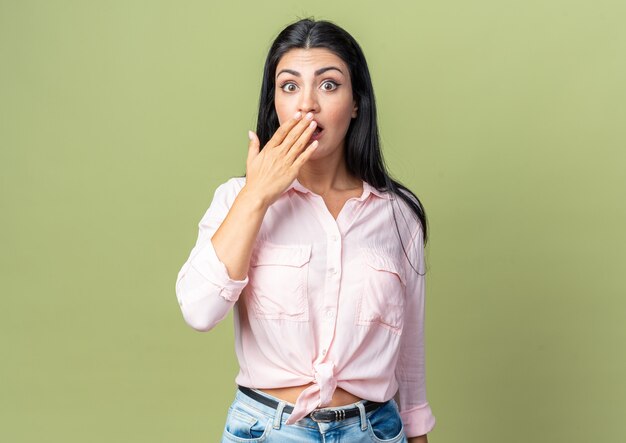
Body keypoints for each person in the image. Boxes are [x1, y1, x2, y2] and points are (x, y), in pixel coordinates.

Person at [175, 17, 436, 442]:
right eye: (290, 86)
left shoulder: (397, 215)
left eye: (328, 85)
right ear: (274, 101)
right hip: (269, 431)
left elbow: (410, 351)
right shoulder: (236, 199)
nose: (306, 105)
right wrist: (257, 196)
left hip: (374, 431)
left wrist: (418, 433)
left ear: (356, 103)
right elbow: (198, 310)